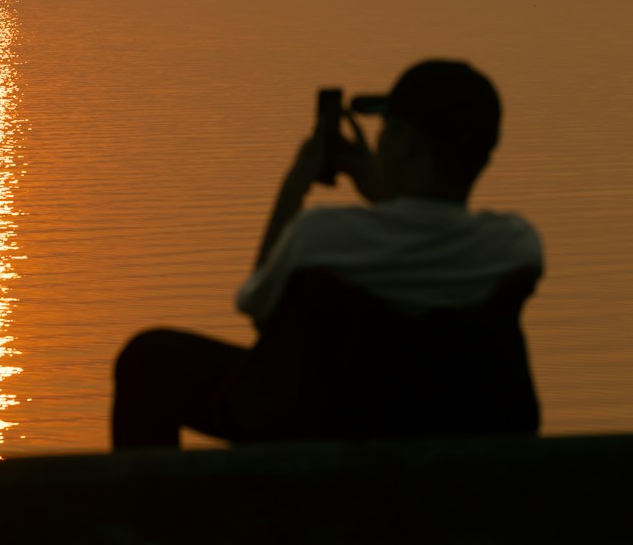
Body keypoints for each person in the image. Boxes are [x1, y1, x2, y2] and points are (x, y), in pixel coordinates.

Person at [111, 59, 543, 448]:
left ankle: (151, 525)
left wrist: (296, 183)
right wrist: (383, 191)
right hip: (455, 423)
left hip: (327, 422)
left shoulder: (323, 236)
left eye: (386, 132)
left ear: (408, 145)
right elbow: (421, 233)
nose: (379, 145)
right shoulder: (515, 246)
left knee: (147, 359)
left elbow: (261, 309)